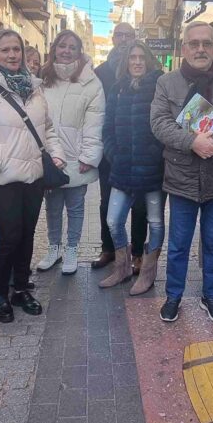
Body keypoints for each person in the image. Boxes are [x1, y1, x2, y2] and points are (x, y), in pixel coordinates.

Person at [0, 29, 66, 323]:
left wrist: (55, 155)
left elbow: (48, 129)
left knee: (27, 235)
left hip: (34, 176)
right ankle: (0, 292)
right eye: (5, 50)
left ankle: (20, 289)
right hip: (2, 179)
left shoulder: (35, 88)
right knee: (9, 236)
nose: (12, 55)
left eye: (16, 49)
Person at [150, 21, 213, 323]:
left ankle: (211, 297)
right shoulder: (166, 83)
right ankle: (173, 296)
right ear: (183, 48)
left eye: (206, 43)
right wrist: (192, 142)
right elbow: (158, 123)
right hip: (181, 179)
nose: (200, 49)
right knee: (179, 243)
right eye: (194, 43)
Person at [37, 30, 105, 275]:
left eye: (72, 47)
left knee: (75, 207)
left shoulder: (90, 82)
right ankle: (54, 248)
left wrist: (89, 155)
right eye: (62, 46)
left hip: (77, 156)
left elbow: (95, 121)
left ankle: (72, 249)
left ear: (79, 52)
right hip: (49, 157)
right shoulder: (43, 79)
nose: (66, 51)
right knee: (52, 206)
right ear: (54, 48)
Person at [99, 42, 165, 293]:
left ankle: (148, 273)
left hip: (152, 170)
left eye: (141, 57)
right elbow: (107, 129)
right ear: (126, 61)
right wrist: (114, 155)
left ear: (148, 60)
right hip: (123, 168)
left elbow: (166, 124)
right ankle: (122, 267)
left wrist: (155, 154)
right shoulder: (117, 89)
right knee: (113, 220)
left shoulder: (159, 87)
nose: (137, 62)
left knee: (156, 222)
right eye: (132, 57)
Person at [93, 22, 149, 272]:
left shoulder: (146, 73)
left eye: (129, 35)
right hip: (113, 154)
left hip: (140, 155)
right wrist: (110, 151)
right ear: (113, 38)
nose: (124, 38)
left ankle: (137, 253)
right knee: (107, 204)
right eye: (120, 35)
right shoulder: (100, 72)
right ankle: (109, 249)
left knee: (140, 207)